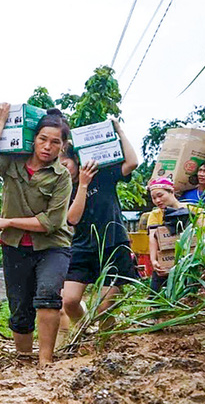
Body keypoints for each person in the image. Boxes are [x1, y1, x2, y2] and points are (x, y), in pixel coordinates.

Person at [0, 104, 73, 366]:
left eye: (55, 142)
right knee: (20, 308)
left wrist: (8, 221)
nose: (47, 146)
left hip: (53, 246)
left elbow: (51, 222)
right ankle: (23, 360)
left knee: (48, 296)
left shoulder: (62, 176)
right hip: (14, 246)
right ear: (34, 140)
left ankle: (45, 362)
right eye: (43, 139)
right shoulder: (13, 163)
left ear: (62, 146)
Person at [58, 119, 139, 334]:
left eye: (65, 165)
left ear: (75, 159)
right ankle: (85, 331)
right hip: (83, 247)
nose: (64, 171)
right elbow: (72, 219)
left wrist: (119, 129)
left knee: (105, 306)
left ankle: (105, 341)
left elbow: (131, 163)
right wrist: (82, 184)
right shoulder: (62, 188)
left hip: (113, 243)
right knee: (70, 301)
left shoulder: (103, 175)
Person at [146, 178, 188, 292]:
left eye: (160, 195)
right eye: (154, 198)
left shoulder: (191, 209)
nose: (157, 200)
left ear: (171, 192)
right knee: (157, 299)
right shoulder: (155, 215)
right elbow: (153, 238)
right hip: (164, 263)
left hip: (188, 265)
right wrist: (154, 260)